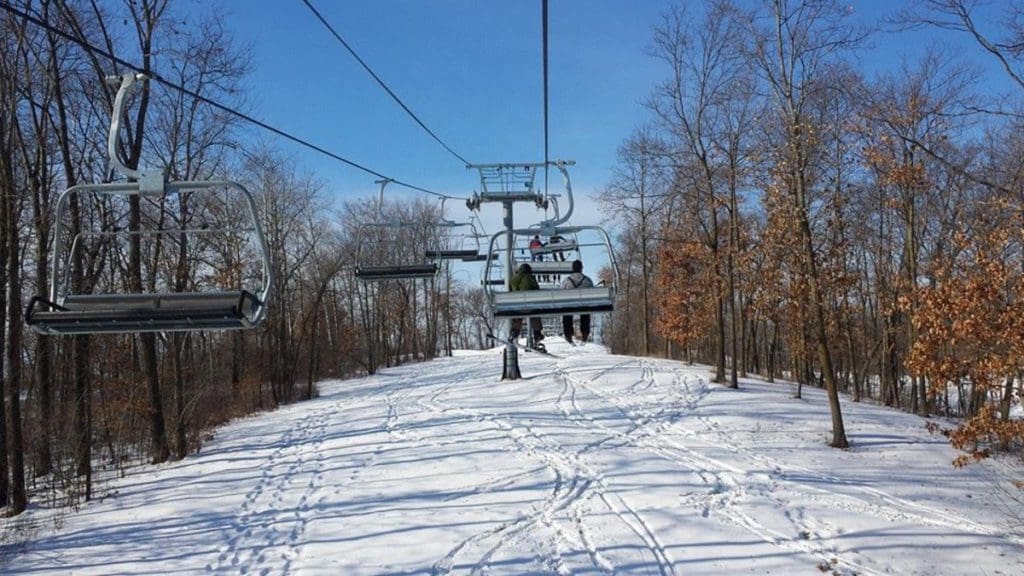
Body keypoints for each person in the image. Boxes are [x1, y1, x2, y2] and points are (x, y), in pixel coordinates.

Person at [509, 263, 544, 345]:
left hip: (517, 308)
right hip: (531, 307)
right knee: (535, 313)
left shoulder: (513, 279)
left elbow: (510, 291)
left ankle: (514, 332)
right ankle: (537, 333)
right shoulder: (531, 278)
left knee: (518, 313)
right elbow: (537, 291)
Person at [561, 259, 593, 344]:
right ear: (581, 268)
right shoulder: (588, 280)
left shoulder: (566, 281)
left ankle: (568, 334)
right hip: (584, 305)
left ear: (572, 269)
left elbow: (561, 293)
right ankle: (585, 333)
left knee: (567, 314)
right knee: (585, 313)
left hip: (570, 306)